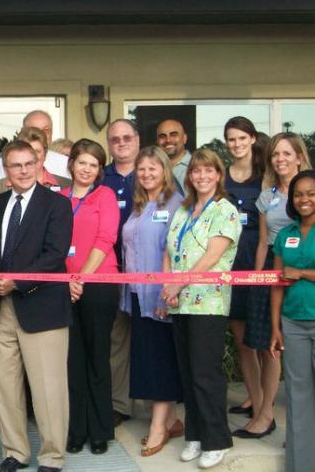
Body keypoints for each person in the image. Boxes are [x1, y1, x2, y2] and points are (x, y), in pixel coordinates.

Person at [0, 140, 72, 472]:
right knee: (6, 386)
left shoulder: (57, 205)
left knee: (49, 389)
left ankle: (52, 457)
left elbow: (55, 256)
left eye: (28, 164)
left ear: (39, 164)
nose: (22, 170)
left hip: (42, 307)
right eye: (15, 165)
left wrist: (17, 282)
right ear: (6, 170)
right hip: (2, 308)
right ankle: (15, 452)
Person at [162, 149, 242, 470]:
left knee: (206, 374)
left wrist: (178, 285)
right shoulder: (182, 210)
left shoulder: (226, 210)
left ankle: (216, 439)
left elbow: (211, 257)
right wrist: (167, 287)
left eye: (209, 171)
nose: (202, 176)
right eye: (196, 171)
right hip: (180, 303)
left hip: (208, 302)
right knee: (188, 372)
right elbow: (169, 250)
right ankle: (194, 434)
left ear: (218, 175)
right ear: (190, 176)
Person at [239, 132, 311, 439]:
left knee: (280, 351)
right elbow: (263, 244)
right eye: (275, 155)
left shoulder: (308, 191)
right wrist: (258, 279)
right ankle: (265, 412)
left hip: (302, 271)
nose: (280, 159)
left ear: (298, 156)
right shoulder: (267, 196)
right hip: (271, 270)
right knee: (266, 344)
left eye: (286, 153)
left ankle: (269, 414)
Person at [120, 146, 183, 457]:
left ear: (165, 171)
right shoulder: (140, 205)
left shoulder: (175, 204)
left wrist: (166, 291)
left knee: (160, 361)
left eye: (152, 169)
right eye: (141, 169)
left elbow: (176, 252)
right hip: (137, 295)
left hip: (161, 295)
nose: (146, 174)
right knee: (150, 358)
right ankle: (170, 419)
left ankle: (158, 427)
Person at [61, 139, 120, 456]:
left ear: (100, 171)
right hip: (64, 287)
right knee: (72, 362)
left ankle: (99, 431)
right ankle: (76, 429)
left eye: (94, 164)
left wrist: (81, 277)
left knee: (97, 359)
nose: (87, 169)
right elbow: (54, 243)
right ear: (71, 164)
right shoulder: (59, 198)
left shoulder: (105, 196)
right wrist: (67, 280)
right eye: (82, 162)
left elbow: (106, 237)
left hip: (98, 284)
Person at [269, 170, 315, 472]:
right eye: (299, 194)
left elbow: (292, 275)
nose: (304, 199)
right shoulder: (286, 235)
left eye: (311, 193)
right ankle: (301, 466)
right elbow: (276, 282)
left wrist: (301, 274)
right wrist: (275, 327)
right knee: (298, 398)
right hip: (293, 324)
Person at [222, 117, 265, 422]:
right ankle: (255, 397)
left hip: (260, 258)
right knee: (242, 340)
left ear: (252, 139)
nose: (236, 144)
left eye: (241, 138)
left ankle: (265, 403)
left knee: (262, 338)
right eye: (231, 139)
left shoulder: (266, 174)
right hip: (231, 261)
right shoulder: (223, 177)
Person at [102, 118, 140, 426]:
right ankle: (119, 404)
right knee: (117, 338)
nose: (121, 143)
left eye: (127, 137)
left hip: (151, 272)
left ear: (137, 140)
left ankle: (162, 405)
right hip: (111, 270)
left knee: (155, 336)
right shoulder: (102, 179)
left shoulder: (153, 171)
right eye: (115, 139)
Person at [0, 110, 69, 198]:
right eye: (34, 129)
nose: (39, 134)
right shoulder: (1, 164)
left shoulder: (65, 163)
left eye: (45, 130)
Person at [156, 119, 191, 192]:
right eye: (162, 136)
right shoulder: (151, 169)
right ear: (157, 141)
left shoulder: (197, 166)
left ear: (184, 138)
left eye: (173, 135)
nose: (168, 140)